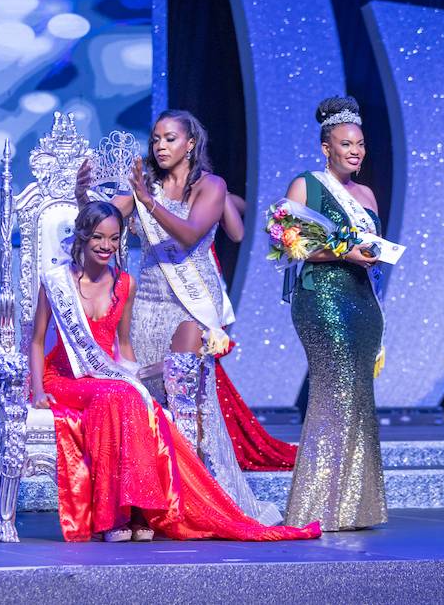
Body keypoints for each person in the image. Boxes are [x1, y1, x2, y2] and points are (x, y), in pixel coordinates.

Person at [30, 201, 320, 543]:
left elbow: (123, 348)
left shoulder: (125, 284)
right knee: (118, 395)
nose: (106, 246)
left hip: (105, 380)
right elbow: (36, 342)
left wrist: (135, 383)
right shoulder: (57, 283)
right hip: (64, 379)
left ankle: (139, 512)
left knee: (133, 400)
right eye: (97, 237)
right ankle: (115, 516)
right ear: (82, 237)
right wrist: (37, 392)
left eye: (113, 238)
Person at [77, 110, 281, 525]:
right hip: (148, 303)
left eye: (169, 138)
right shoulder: (145, 184)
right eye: (155, 139)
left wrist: (147, 202)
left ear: (190, 143)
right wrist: (84, 198)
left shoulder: (211, 186)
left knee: (190, 402)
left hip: (189, 304)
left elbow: (189, 233)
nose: (160, 146)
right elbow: (105, 220)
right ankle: (157, 504)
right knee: (150, 403)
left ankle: (207, 498)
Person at [283, 96, 387, 531]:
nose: (355, 151)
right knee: (333, 393)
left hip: (362, 303)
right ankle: (316, 505)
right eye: (346, 144)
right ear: (326, 147)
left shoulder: (367, 195)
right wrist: (346, 250)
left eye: (360, 144)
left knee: (358, 397)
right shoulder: (306, 185)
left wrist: (373, 254)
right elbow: (291, 244)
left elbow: (373, 249)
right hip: (322, 301)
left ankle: (354, 507)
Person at [212, 193, 298, 471]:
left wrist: (218, 194)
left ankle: (217, 440)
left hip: (196, 285)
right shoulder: (156, 185)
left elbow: (237, 230)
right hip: (158, 285)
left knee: (201, 367)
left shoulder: (210, 186)